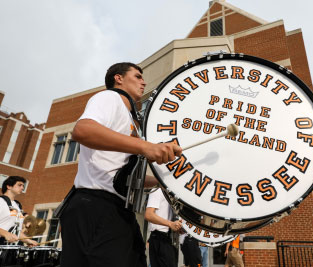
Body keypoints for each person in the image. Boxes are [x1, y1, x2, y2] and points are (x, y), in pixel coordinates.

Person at [60, 62, 182, 267]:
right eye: (137, 76)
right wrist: (146, 147)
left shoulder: (132, 120)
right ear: (118, 78)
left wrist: (165, 183)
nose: (143, 81)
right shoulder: (110, 97)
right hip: (95, 205)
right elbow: (83, 130)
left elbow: (122, 176)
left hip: (119, 209)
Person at [145, 188, 182, 267]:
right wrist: (170, 224)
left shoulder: (170, 194)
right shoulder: (157, 190)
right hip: (159, 238)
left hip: (168, 238)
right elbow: (148, 215)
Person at [0, 176, 38, 246]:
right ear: (9, 186)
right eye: (19, 185)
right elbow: (8, 232)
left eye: (23, 186)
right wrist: (5, 233)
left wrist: (28, 240)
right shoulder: (1, 201)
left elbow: (16, 231)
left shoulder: (17, 206)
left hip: (7, 248)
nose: (22, 188)